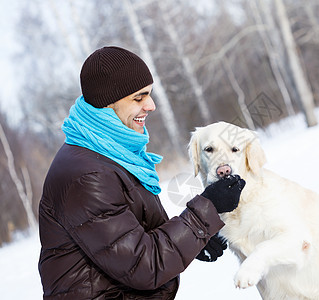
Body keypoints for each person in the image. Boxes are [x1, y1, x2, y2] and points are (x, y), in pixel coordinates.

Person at [38, 46, 246, 299]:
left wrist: (194, 239)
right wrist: (206, 210)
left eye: (149, 95)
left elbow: (128, 239)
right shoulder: (87, 176)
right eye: (139, 98)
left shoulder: (106, 153)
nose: (151, 105)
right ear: (107, 103)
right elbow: (143, 265)